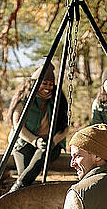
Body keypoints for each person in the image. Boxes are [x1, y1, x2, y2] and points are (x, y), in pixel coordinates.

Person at [6, 63, 70, 191]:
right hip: (24, 142)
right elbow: (18, 125)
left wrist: (54, 141)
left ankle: (15, 190)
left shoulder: (58, 101)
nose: (48, 87)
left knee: (43, 153)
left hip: (51, 143)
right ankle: (23, 194)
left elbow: (66, 128)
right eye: (44, 83)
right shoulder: (23, 101)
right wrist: (35, 140)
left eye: (50, 84)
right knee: (26, 174)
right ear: (35, 83)